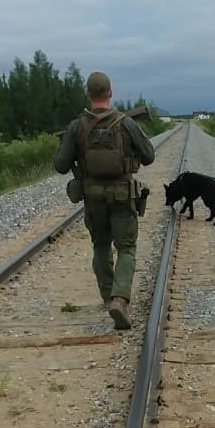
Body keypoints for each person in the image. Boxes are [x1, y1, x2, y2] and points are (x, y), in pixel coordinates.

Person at [54, 71, 155, 329]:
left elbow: (61, 165)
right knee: (127, 248)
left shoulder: (77, 125)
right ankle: (120, 300)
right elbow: (149, 156)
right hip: (122, 197)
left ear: (88, 95)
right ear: (110, 93)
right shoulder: (126, 123)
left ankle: (108, 295)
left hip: (93, 199)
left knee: (100, 246)